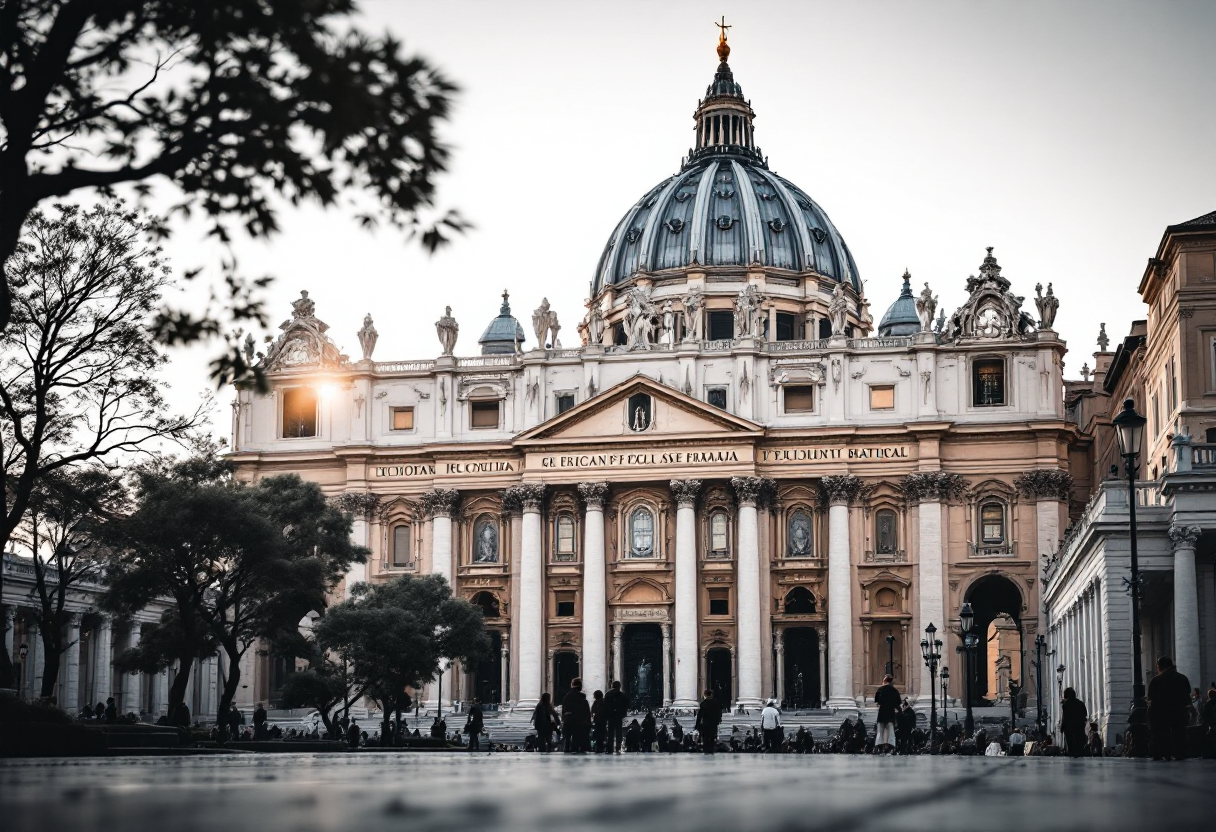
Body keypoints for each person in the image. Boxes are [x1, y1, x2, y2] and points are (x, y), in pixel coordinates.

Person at [1146, 655, 1191, 761]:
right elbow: (1187, 693)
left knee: (1159, 733)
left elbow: (1150, 696)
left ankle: (1161, 753)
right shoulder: (1182, 678)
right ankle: (1180, 753)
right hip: (1178, 709)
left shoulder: (1156, 680)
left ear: (1160, 666)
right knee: (1179, 732)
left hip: (1160, 710)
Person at [561, 677, 591, 753]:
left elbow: (564, 710)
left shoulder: (566, 697)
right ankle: (575, 749)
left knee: (567, 738)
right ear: (580, 686)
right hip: (579, 721)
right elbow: (586, 712)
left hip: (568, 720)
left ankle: (567, 749)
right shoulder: (582, 698)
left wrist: (564, 719)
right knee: (576, 738)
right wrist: (588, 721)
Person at [873, 674, 900, 755]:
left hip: (882, 712)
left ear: (885, 681)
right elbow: (898, 702)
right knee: (891, 730)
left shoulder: (880, 689)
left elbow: (877, 701)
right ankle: (891, 747)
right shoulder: (895, 690)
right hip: (890, 712)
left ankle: (878, 747)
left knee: (880, 731)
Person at [1059, 687, 1088, 757]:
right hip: (1079, 727)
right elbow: (1085, 714)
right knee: (1078, 741)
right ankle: (1079, 753)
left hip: (1069, 727)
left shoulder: (1066, 704)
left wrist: (1062, 727)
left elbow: (1065, 717)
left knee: (1070, 743)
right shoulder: (1080, 703)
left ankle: (1071, 753)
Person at [603, 680, 629, 754]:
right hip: (619, 716)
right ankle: (618, 747)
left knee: (610, 732)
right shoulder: (623, 695)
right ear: (619, 686)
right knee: (619, 732)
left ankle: (610, 748)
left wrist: (607, 714)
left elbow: (604, 706)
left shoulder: (608, 694)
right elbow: (626, 705)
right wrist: (623, 713)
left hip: (610, 716)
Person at [695, 689, 721, 754]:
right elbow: (719, 713)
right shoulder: (716, 703)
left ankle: (706, 749)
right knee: (712, 736)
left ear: (705, 695)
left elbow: (700, 715)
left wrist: (697, 724)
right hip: (713, 723)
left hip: (706, 723)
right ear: (711, 694)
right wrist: (718, 721)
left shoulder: (704, 703)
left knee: (705, 737)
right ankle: (711, 749)